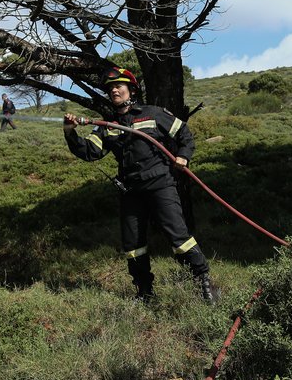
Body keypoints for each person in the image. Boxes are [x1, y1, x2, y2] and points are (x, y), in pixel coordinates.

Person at [63, 67, 216, 303]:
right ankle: (145, 293)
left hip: (160, 185)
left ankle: (204, 282)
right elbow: (90, 152)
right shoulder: (107, 126)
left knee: (179, 238)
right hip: (130, 191)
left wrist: (184, 156)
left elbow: (184, 134)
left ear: (131, 90)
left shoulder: (153, 114)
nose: (114, 90)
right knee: (133, 246)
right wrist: (70, 132)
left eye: (119, 86)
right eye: (111, 88)